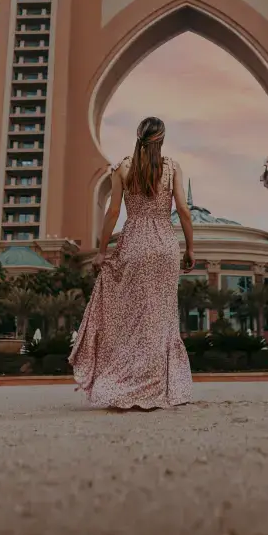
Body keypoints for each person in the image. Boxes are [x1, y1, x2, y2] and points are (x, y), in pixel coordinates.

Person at [69, 116, 195, 410]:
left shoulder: (122, 168)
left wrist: (101, 251)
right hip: (164, 246)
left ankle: (126, 381)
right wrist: (190, 248)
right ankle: (161, 385)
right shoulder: (172, 167)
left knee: (132, 320)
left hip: (134, 246)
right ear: (161, 140)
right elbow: (185, 211)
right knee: (161, 320)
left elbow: (112, 213)